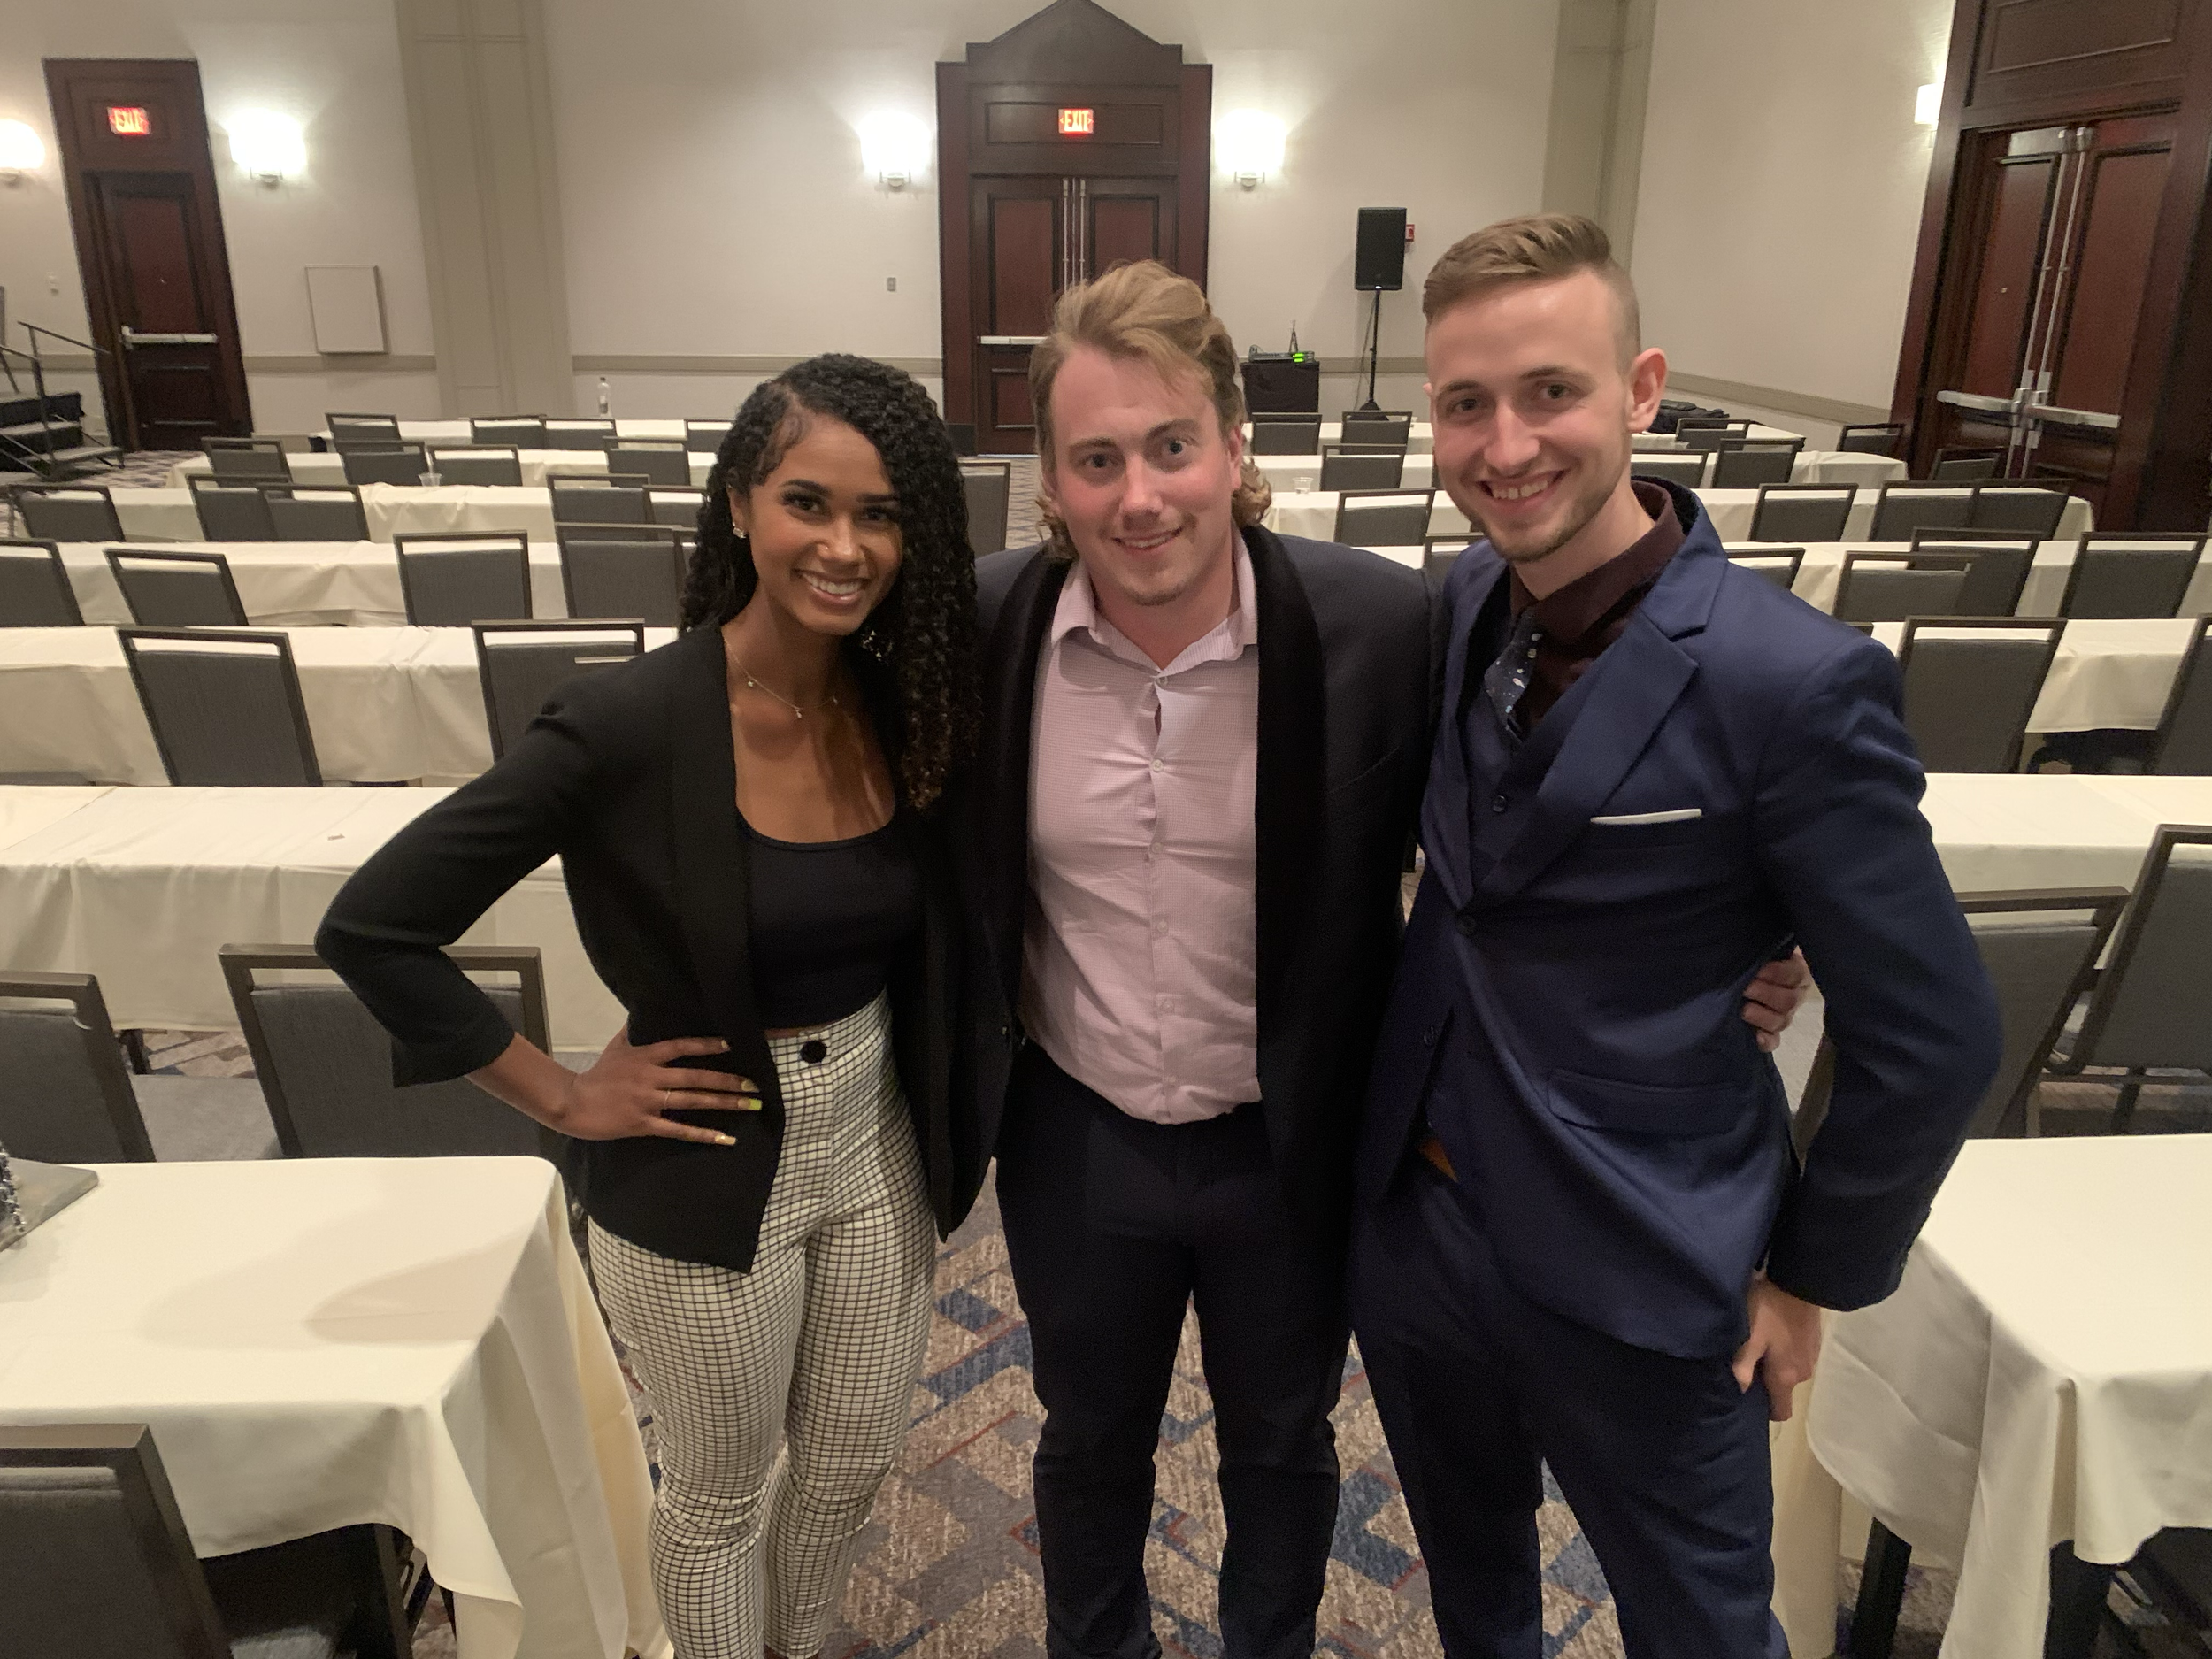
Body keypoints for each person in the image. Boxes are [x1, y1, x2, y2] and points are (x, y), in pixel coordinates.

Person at [960, 260, 1808, 1659]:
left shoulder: (1384, 625)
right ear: (1049, 479)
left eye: (1172, 446)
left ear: (1236, 449)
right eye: (1095, 459)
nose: (1140, 495)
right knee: (1086, 1435)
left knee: (1284, 1443)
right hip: (1075, 1126)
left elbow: (1538, 815)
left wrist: (1738, 947)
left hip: (1296, 1133)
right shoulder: (990, 627)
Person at [1349, 214, 2002, 1657]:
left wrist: (1813, 1270)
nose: (1505, 443)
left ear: (1641, 389)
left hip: (1651, 1258)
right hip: (1420, 1217)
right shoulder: (1465, 601)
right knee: (1473, 1586)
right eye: (1466, 404)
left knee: (1701, 1625)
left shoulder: (1796, 682)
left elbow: (1941, 1031)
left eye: (1550, 391)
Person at [316, 354, 989, 1659]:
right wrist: (565, 1093)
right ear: (741, 502)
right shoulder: (624, 721)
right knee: (724, 1499)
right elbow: (375, 926)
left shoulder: (894, 697)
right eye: (809, 502)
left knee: (849, 1469)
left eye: (883, 514)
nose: (846, 547)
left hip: (873, 1140)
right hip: (702, 1158)